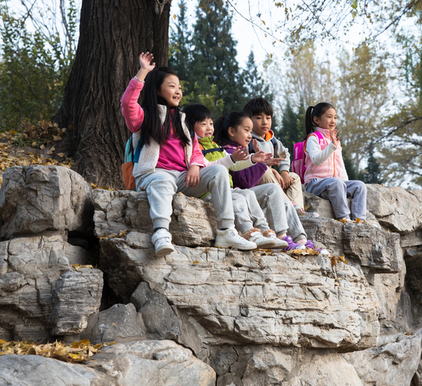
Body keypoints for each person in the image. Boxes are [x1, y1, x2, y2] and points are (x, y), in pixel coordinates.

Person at [120, 52, 272, 256]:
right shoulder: (146, 117)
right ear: (158, 89)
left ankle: (226, 230)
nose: (178, 91)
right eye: (172, 86)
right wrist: (143, 73)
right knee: (163, 180)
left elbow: (196, 154)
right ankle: (161, 232)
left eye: (179, 87)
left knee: (218, 171)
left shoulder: (183, 120)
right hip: (153, 173)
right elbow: (127, 104)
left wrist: (194, 166)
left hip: (182, 177)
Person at [214, 111, 328, 254]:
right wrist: (262, 164)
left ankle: (301, 241)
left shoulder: (243, 151)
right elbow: (244, 181)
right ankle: (282, 236)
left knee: (286, 202)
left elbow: (283, 155)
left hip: (248, 194)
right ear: (231, 131)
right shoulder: (229, 152)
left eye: (250, 131)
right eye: (246, 130)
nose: (250, 135)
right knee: (273, 189)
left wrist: (262, 162)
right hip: (241, 195)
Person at [183, 104, 287, 249]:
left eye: (211, 123)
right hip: (208, 190)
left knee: (248, 194)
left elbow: (234, 165)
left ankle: (264, 231)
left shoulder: (215, 145)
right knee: (239, 198)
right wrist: (232, 159)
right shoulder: (195, 147)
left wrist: (252, 159)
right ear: (189, 126)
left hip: (227, 188)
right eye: (203, 124)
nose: (209, 128)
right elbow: (210, 168)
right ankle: (249, 232)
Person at [243, 97, 317, 218]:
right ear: (248, 120)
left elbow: (284, 154)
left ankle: (299, 210)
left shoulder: (272, 140)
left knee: (294, 177)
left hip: (272, 177)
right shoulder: (248, 139)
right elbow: (244, 161)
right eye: (258, 118)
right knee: (265, 171)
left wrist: (283, 171)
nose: (264, 122)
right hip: (256, 180)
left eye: (268, 118)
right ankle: (289, 206)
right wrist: (270, 169)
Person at [303, 103, 367, 223]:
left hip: (334, 183)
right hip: (315, 182)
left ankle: (360, 219)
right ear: (316, 120)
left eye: (335, 117)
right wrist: (331, 146)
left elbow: (340, 165)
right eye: (329, 117)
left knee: (359, 185)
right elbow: (316, 160)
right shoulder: (313, 138)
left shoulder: (335, 141)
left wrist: (345, 184)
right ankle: (344, 217)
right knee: (336, 182)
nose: (333, 121)